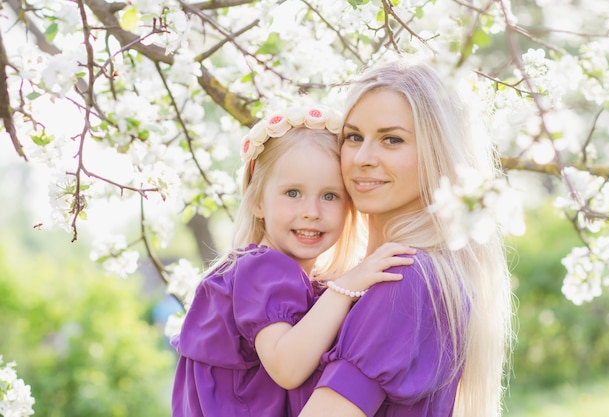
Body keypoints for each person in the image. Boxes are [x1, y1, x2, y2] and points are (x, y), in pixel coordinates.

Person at [296, 62, 514, 417]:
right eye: (353, 137)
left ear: (438, 152)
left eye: (391, 139)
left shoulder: (405, 279)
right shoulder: (363, 279)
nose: (363, 158)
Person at [171, 105, 416, 417]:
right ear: (258, 200)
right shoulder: (263, 269)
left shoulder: (278, 277)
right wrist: (346, 288)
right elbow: (287, 367)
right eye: (292, 193)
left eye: (330, 196)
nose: (312, 211)